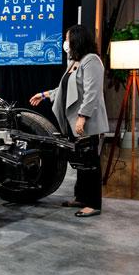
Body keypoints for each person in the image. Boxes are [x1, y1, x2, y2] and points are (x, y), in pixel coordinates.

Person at [30, 24, 108, 217]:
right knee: (81, 162)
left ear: (77, 39)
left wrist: (82, 118)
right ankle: (81, 198)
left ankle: (94, 203)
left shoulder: (92, 61)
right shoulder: (74, 62)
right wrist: (44, 94)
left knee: (90, 162)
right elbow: (65, 90)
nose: (65, 42)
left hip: (86, 121)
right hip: (73, 122)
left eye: (67, 38)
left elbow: (92, 93)